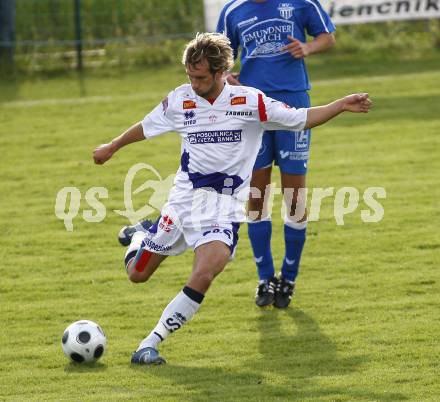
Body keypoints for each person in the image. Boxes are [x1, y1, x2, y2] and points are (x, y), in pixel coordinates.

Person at [93, 32, 371, 365]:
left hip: (223, 207)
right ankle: (140, 235)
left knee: (206, 271)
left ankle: (149, 344)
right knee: (137, 275)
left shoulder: (250, 102)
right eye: (190, 77)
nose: (193, 84)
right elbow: (147, 125)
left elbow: (300, 119)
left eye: (200, 77)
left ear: (222, 71)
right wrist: (112, 146)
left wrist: (341, 104)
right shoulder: (180, 100)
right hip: (183, 201)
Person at [217, 0, 336, 308]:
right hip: (251, 109)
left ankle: (289, 278)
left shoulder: (301, 4)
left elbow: (327, 37)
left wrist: (308, 48)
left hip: (294, 105)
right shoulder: (233, 11)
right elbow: (220, 58)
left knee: (294, 197)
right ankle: (265, 278)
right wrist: (227, 77)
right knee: (257, 195)